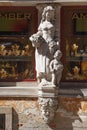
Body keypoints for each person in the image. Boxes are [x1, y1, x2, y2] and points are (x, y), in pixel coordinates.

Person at [29, 6, 59, 83]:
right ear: (45, 13)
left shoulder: (54, 24)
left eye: (51, 13)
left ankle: (49, 79)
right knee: (42, 62)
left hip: (51, 44)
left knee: (48, 63)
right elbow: (39, 33)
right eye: (48, 13)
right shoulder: (42, 24)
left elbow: (56, 36)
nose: (49, 14)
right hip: (42, 45)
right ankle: (43, 79)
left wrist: (56, 44)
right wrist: (33, 37)